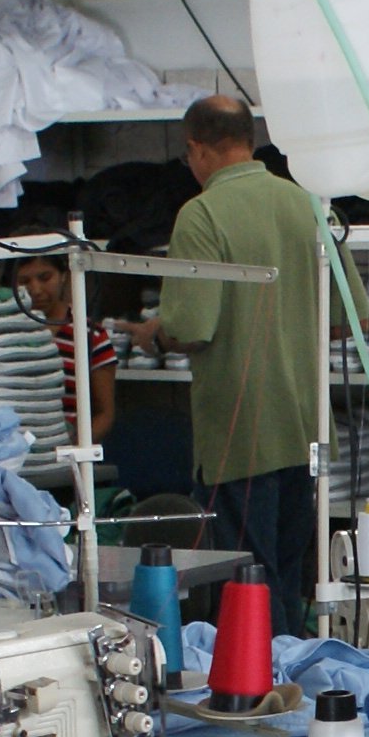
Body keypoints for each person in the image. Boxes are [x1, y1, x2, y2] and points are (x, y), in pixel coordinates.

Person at [122, 95, 324, 637]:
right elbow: (350, 315)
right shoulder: (305, 202)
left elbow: (192, 327)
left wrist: (155, 332)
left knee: (249, 577)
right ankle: (294, 669)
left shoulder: (202, 212)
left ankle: (267, 677)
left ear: (196, 149)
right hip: (307, 427)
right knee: (288, 573)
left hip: (241, 433)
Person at [16, 252, 117, 446]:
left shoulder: (90, 336)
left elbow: (105, 414)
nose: (35, 290)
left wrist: (71, 449)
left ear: (64, 275)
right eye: (24, 281)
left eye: (45, 278)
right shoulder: (4, 333)